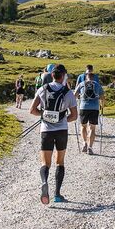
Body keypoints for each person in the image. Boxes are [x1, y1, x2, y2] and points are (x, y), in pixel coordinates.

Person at [29, 64, 78, 205]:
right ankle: (57, 194)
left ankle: (44, 182)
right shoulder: (68, 92)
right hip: (61, 130)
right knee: (60, 162)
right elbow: (74, 116)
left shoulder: (42, 89)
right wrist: (62, 119)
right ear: (63, 76)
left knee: (45, 162)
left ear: (52, 75)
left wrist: (44, 116)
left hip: (46, 130)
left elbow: (32, 110)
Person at [74, 65, 104, 154]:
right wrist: (102, 106)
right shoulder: (97, 84)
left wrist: (75, 102)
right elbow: (102, 97)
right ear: (93, 77)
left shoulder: (82, 83)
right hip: (94, 108)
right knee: (92, 128)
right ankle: (90, 147)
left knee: (83, 126)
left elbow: (75, 95)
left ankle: (84, 143)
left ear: (86, 77)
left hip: (83, 107)